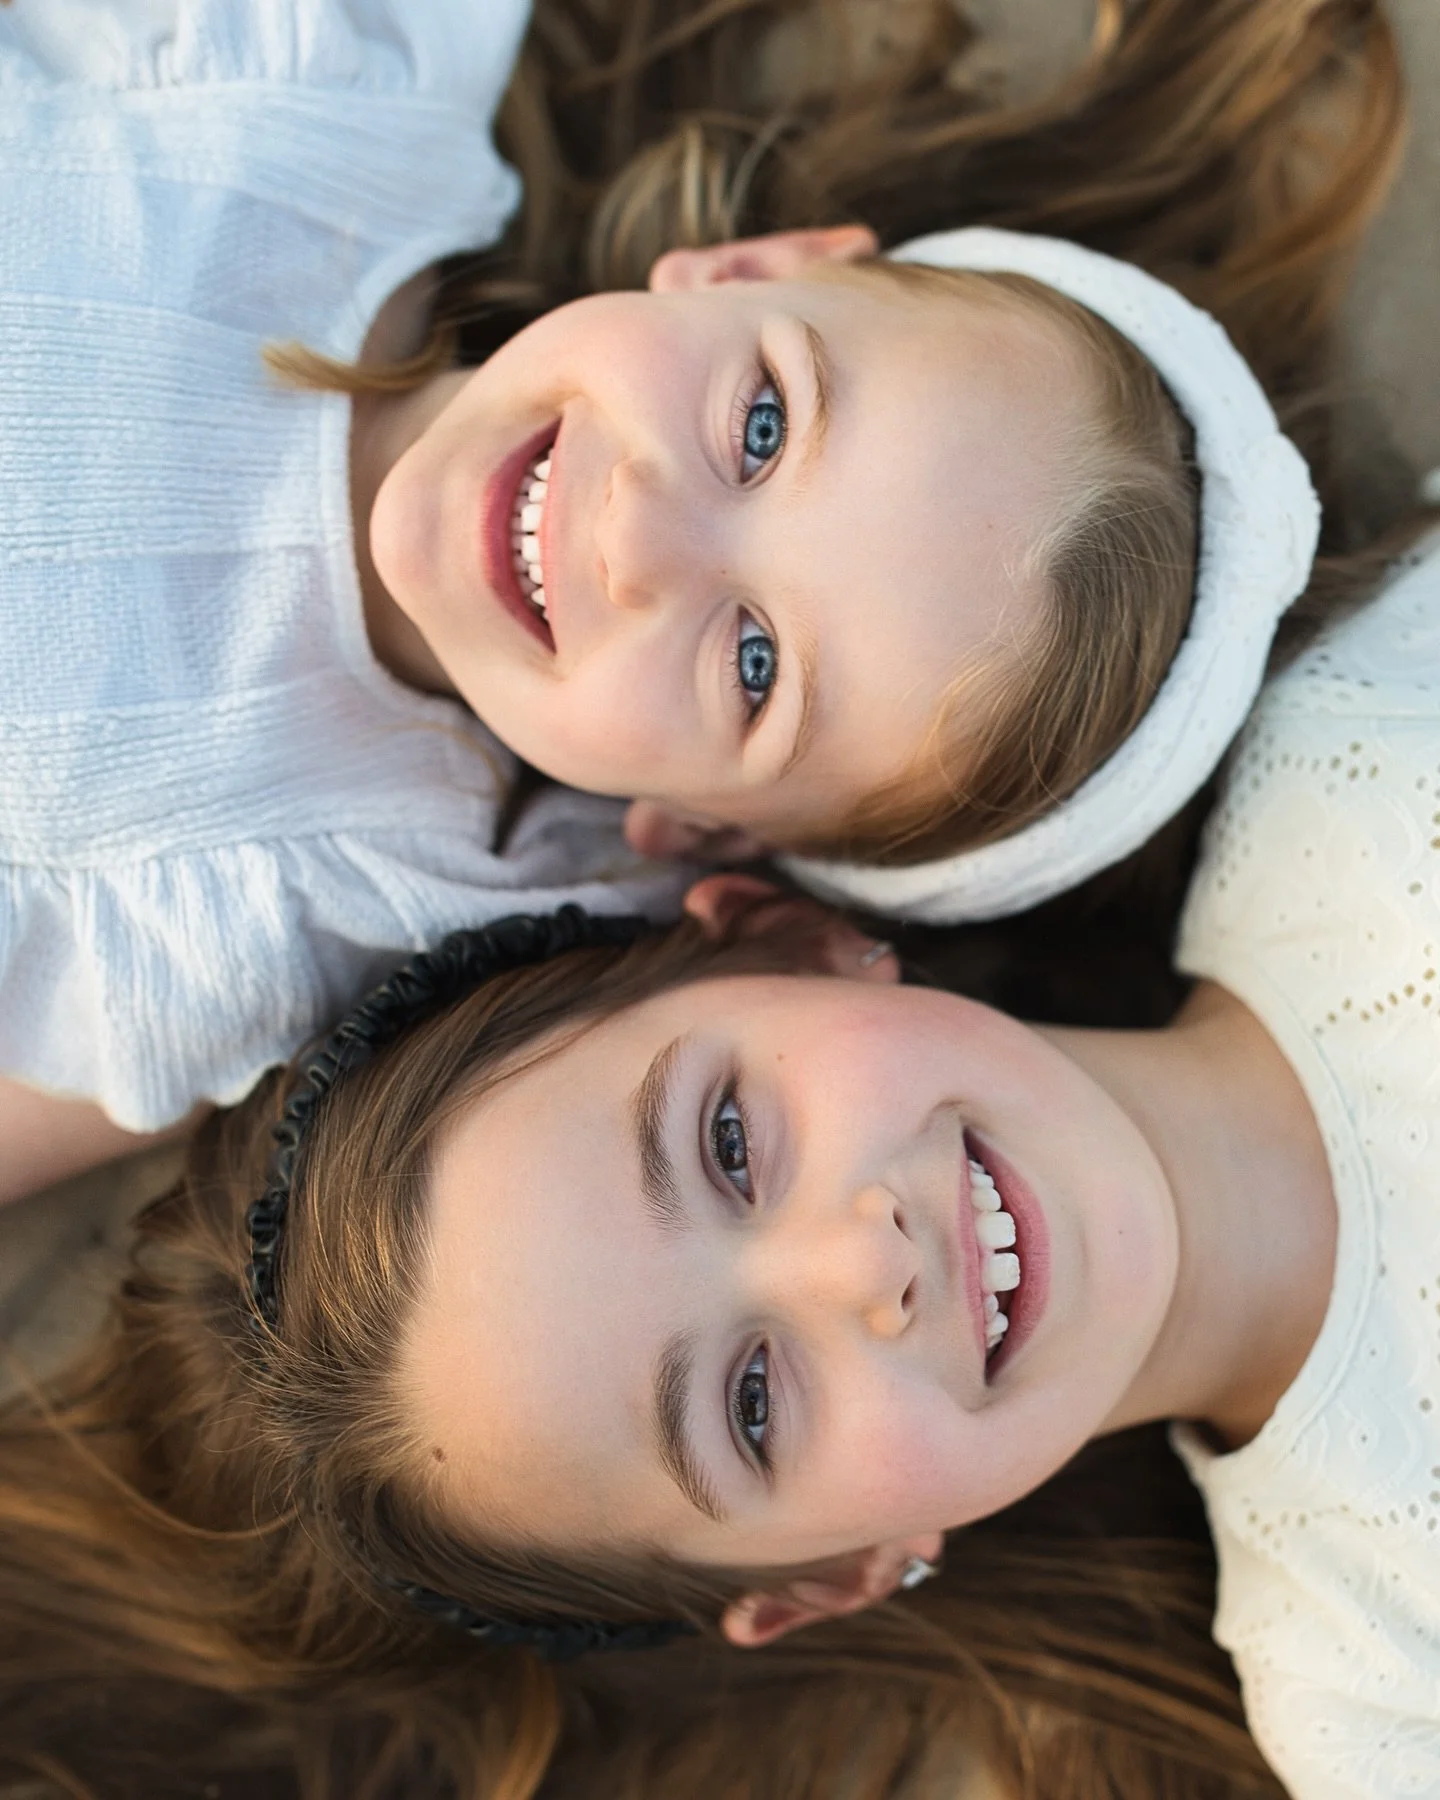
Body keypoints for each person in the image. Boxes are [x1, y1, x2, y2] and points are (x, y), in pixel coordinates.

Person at [5, 501, 1440, 1799]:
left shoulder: (1370, 723)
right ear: (840, 1575)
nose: (863, 1262)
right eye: (752, 1406)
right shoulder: (1374, 1698)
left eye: (733, 1143)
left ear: (789, 941)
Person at [0, 0, 1404, 1201]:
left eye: (755, 664)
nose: (637, 536)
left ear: (697, 833)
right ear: (751, 270)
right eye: (763, 426)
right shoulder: (314, 93)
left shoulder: (298, 908)